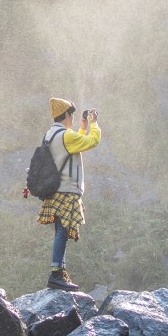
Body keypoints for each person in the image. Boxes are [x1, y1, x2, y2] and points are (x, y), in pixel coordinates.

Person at [38, 97, 101, 291]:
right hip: (66, 190)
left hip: (54, 189)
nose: (73, 117)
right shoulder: (66, 136)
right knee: (62, 232)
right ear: (66, 115)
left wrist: (82, 127)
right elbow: (92, 141)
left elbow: (73, 145)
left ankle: (60, 272)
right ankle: (56, 274)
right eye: (72, 114)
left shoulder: (51, 134)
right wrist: (93, 124)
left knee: (61, 231)